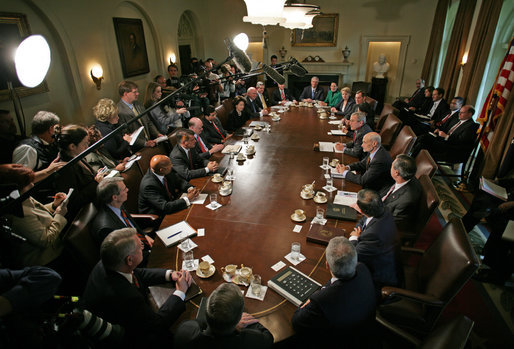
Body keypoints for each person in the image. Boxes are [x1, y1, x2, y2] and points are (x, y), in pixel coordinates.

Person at [82, 228, 192, 348]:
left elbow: (136, 272)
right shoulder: (126, 297)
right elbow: (156, 324)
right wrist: (180, 292)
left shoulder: (109, 263)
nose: (143, 246)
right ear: (129, 259)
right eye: (139, 246)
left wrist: (170, 274)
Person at [291, 237, 377, 348]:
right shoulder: (363, 268)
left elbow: (297, 322)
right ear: (354, 260)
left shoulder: (321, 301)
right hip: (367, 338)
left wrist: (309, 302)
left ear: (327, 265)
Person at [174, 283, 273, 349]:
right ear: (239, 317)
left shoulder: (185, 332)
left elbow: (199, 322)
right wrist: (234, 326)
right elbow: (268, 336)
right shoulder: (252, 341)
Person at [91, 177, 153, 262]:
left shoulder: (116, 205)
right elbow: (124, 257)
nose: (127, 190)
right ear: (115, 197)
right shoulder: (107, 228)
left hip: (144, 245)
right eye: (124, 189)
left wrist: (145, 235)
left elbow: (131, 225)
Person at [350, 189, 399, 288]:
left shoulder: (373, 235)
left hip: (377, 278)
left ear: (362, 211)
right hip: (383, 256)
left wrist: (355, 237)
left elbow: (353, 255)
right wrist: (358, 231)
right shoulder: (382, 209)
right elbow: (364, 220)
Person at [54, 124, 103, 220]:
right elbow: (73, 201)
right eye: (84, 144)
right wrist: (95, 183)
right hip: (88, 216)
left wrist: (96, 174)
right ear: (72, 146)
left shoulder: (78, 156)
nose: (87, 146)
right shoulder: (65, 169)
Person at [410, 105, 479, 161]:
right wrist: (438, 130)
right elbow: (445, 129)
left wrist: (446, 136)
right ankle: (411, 159)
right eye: (459, 112)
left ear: (470, 114)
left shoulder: (472, 126)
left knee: (425, 139)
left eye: (462, 113)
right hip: (443, 142)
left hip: (452, 150)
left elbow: (461, 142)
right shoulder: (457, 120)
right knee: (422, 142)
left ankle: (409, 151)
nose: (459, 114)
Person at [12, 111, 65, 183]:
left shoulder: (49, 145)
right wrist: (47, 171)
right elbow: (20, 180)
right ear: (51, 129)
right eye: (57, 128)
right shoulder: (27, 149)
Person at [116, 80, 162, 150]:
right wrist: (144, 143)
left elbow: (148, 121)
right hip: (137, 148)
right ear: (125, 94)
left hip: (150, 142)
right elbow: (126, 135)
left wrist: (157, 134)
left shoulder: (138, 103)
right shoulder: (119, 111)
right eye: (134, 92)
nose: (138, 93)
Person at [381, 154, 422, 232]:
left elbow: (391, 222)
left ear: (396, 173)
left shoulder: (406, 200)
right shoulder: (407, 176)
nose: (390, 167)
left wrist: (368, 210)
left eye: (392, 166)